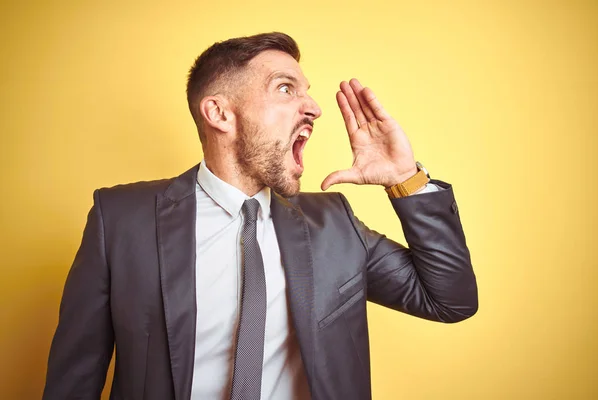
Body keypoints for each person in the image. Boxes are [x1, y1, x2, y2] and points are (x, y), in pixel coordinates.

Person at [43, 32, 478, 400]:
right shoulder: (120, 219)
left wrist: (405, 178)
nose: (313, 107)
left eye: (306, 92)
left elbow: (449, 300)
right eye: (286, 89)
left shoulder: (333, 224)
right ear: (219, 113)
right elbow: (74, 377)